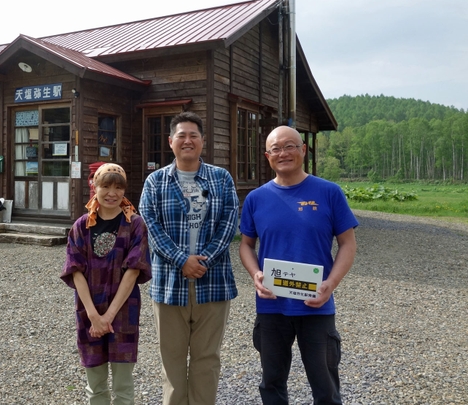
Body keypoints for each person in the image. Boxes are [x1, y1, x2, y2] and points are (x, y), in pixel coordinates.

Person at [238, 125, 358, 405]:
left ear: (303, 150)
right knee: (272, 384)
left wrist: (332, 283)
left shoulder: (329, 192)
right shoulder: (256, 198)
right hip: (271, 306)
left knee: (325, 386)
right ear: (267, 156)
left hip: (316, 304)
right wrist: (256, 273)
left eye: (290, 146)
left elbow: (348, 243)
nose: (283, 153)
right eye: (276, 148)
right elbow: (245, 244)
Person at [139, 111, 239, 405]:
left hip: (214, 281)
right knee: (171, 360)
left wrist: (203, 259)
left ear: (203, 142)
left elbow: (229, 223)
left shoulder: (220, 178)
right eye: (181, 135)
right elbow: (151, 227)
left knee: (206, 359)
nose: (187, 140)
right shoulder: (155, 182)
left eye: (193, 135)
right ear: (170, 142)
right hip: (169, 284)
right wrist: (182, 260)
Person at [61, 163, 151, 405]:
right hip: (88, 311)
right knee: (95, 385)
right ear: (94, 187)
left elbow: (133, 271)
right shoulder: (81, 226)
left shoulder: (135, 225)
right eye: (106, 186)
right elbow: (75, 271)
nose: (112, 193)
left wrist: (108, 317)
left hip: (123, 312)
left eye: (118, 187)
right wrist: (94, 316)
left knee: (123, 385)